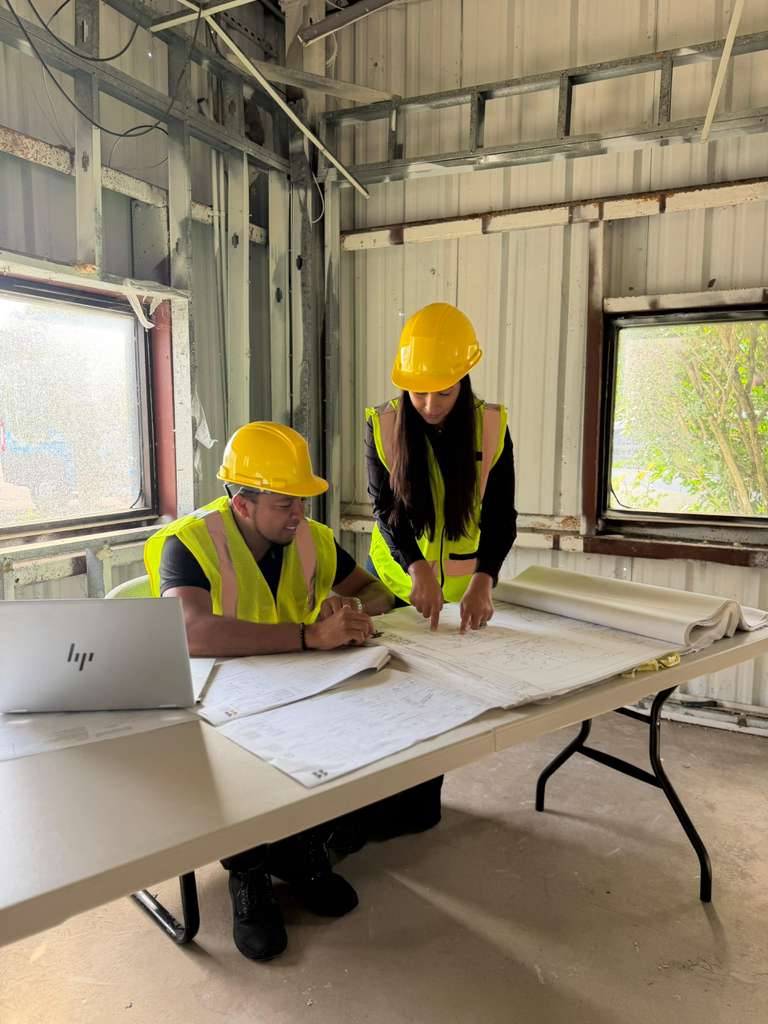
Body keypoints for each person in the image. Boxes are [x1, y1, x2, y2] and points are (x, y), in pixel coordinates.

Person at [144, 421, 394, 962]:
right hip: (218, 705)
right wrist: (308, 637)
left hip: (292, 689)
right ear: (242, 504)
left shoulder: (312, 539)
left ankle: (300, 850)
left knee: (333, 730)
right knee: (236, 759)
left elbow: (379, 592)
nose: (299, 514)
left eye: (302, 500)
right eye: (285, 504)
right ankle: (249, 871)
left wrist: (351, 608)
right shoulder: (190, 542)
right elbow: (188, 630)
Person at [358, 301, 517, 839]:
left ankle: (418, 804)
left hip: (463, 588)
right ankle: (370, 802)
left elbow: (502, 515)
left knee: (440, 696)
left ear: (464, 381)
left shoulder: (490, 426)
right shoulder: (383, 424)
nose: (428, 405)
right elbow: (385, 508)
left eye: (443, 393)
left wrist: (484, 580)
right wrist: (417, 568)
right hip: (396, 578)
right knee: (390, 688)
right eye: (418, 392)